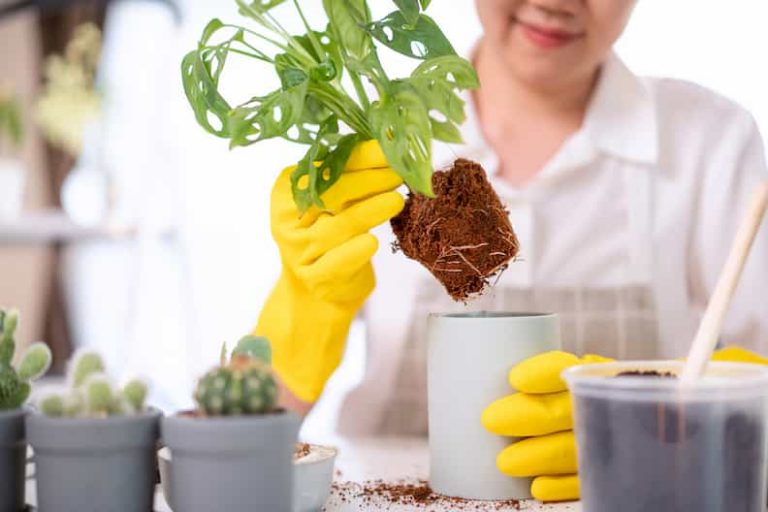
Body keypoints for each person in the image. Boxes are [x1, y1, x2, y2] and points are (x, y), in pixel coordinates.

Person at [255, 0, 768, 502]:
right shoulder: (376, 143)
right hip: (381, 493)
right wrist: (304, 314)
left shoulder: (709, 142)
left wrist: (646, 421)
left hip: (624, 491)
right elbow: (231, 445)